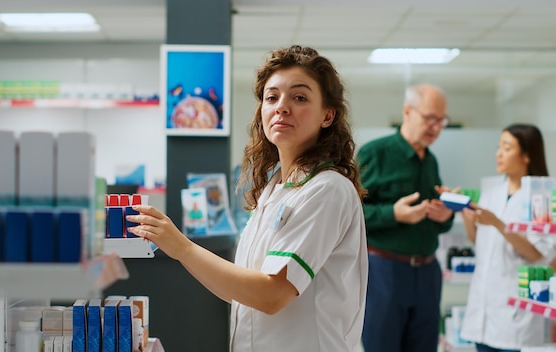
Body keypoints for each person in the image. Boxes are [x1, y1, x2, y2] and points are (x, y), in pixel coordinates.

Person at [126, 45, 368, 351]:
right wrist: (179, 250)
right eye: (272, 97)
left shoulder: (327, 189)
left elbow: (271, 296)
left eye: (300, 97)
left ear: (327, 115)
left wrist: (183, 248)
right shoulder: (274, 189)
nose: (282, 107)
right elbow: (241, 290)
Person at [357, 84, 455, 352]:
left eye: (441, 120)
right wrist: (393, 214)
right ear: (407, 112)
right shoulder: (375, 154)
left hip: (427, 273)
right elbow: (348, 215)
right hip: (385, 270)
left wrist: (445, 215)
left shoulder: (430, 160)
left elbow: (436, 222)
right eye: (430, 118)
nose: (436, 127)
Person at [459, 123, 553, 352]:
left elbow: (537, 253)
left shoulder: (544, 197)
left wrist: (499, 224)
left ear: (527, 155)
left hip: (515, 315)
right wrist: (466, 215)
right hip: (483, 308)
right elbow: (482, 244)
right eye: (498, 146)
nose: (498, 153)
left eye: (507, 148)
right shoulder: (492, 192)